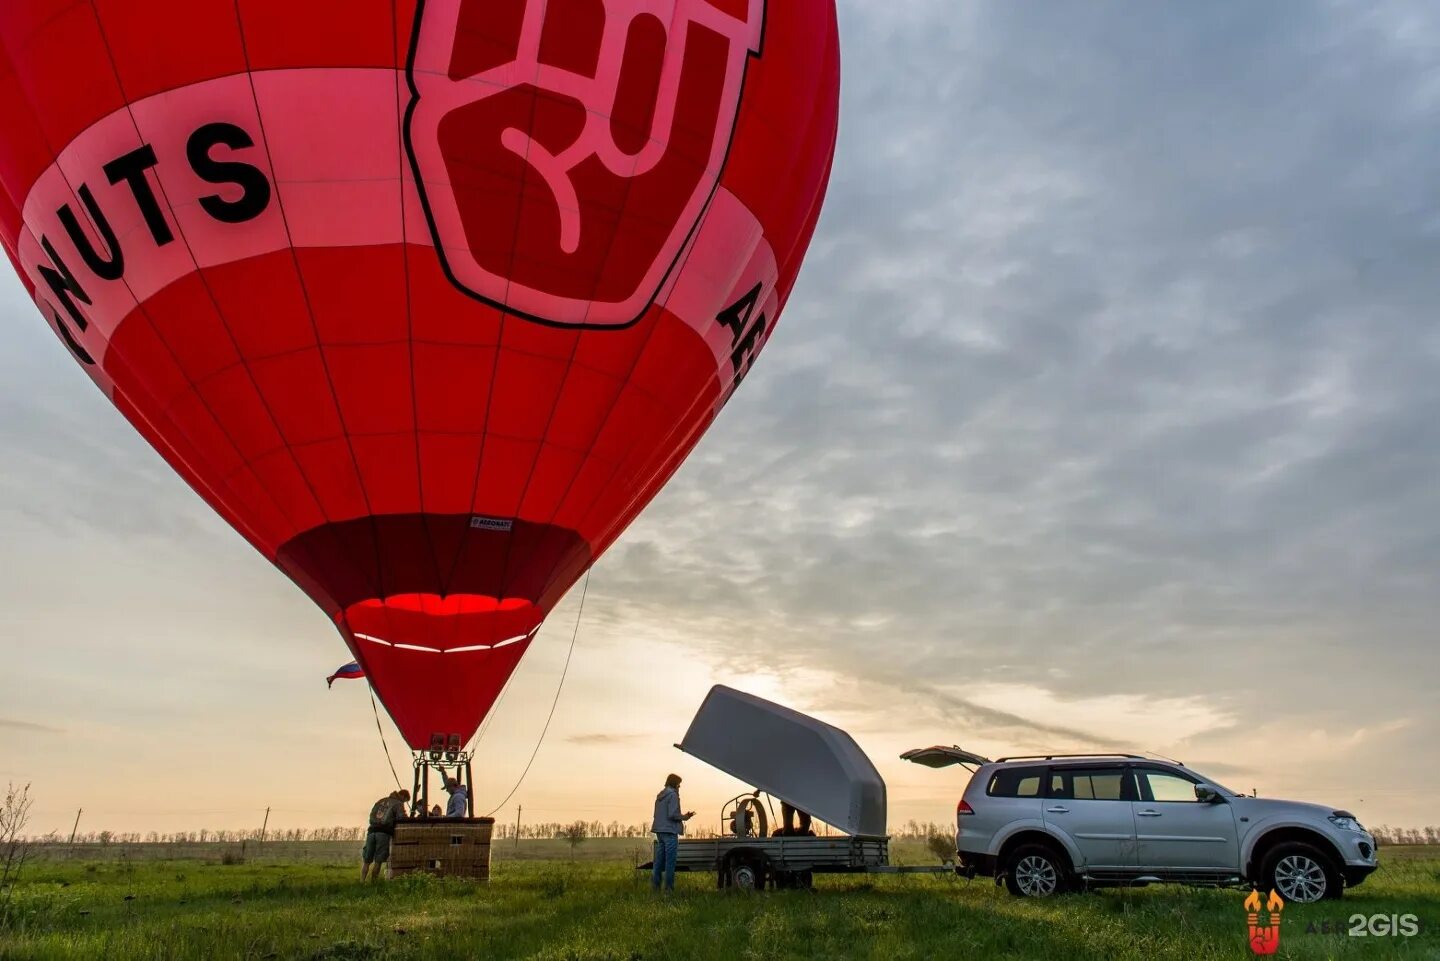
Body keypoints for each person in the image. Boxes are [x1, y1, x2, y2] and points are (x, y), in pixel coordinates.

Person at [650, 773, 694, 893]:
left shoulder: (660, 796)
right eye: (679, 784)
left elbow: (657, 815)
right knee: (670, 862)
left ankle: (655, 887)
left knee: (658, 861)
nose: (679, 787)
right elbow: (672, 814)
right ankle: (669, 889)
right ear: (675, 783)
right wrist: (685, 817)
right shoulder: (673, 795)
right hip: (670, 831)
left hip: (660, 831)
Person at [361, 788, 410, 881]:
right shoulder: (398, 804)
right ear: (403, 796)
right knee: (378, 861)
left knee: (366, 861)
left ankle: (362, 881)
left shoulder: (381, 801)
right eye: (405, 800)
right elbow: (402, 817)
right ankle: (373, 883)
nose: (404, 802)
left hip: (371, 831)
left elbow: (371, 815)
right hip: (384, 833)